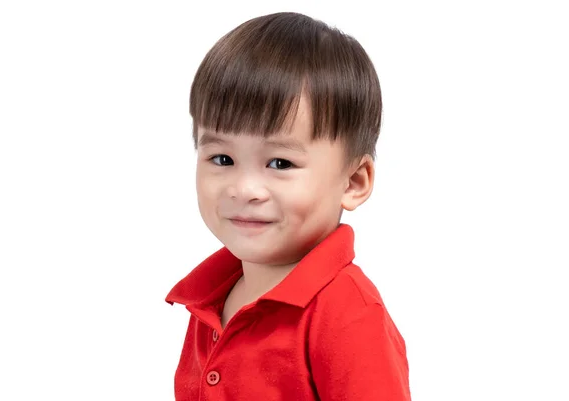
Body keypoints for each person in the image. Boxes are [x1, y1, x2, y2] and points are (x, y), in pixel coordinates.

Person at [166, 11, 411, 400]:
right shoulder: (211, 298)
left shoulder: (347, 314)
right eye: (222, 159)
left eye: (280, 163)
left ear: (353, 182)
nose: (244, 189)